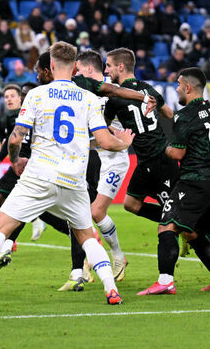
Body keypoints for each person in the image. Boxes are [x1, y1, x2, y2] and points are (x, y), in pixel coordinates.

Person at [0, 42, 135, 308]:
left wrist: (14, 161)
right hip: (74, 180)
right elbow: (105, 141)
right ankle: (111, 290)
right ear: (75, 68)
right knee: (86, 237)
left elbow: (15, 138)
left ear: (51, 65)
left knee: (1, 227)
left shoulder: (36, 95)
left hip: (40, 175)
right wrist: (124, 142)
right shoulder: (88, 99)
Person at [139, 68, 210, 295]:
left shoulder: (185, 115)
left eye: (179, 85)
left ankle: (165, 281)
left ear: (188, 88)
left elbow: (177, 153)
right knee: (193, 233)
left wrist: (166, 148)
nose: (177, 89)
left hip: (192, 182)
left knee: (167, 226)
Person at [0, 84, 74, 262]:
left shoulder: (38, 112)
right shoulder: (8, 119)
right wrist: (0, 157)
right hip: (18, 165)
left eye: (13, 96)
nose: (10, 99)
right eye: (6, 96)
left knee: (33, 208)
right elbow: (10, 140)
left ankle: (72, 231)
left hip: (32, 166)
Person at [103, 48, 178, 226]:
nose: (106, 70)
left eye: (109, 66)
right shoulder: (148, 89)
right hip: (147, 160)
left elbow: (102, 125)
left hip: (158, 160)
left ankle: (178, 226)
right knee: (131, 204)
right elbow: (169, 113)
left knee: (173, 210)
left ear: (121, 67)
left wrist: (115, 131)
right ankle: (173, 222)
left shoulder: (115, 98)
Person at [73, 51, 130, 283]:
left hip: (114, 158)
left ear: (88, 69)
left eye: (78, 70)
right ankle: (90, 260)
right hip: (93, 159)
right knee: (81, 213)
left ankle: (117, 256)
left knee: (96, 212)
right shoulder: (83, 94)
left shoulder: (112, 90)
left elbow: (124, 125)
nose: (76, 74)